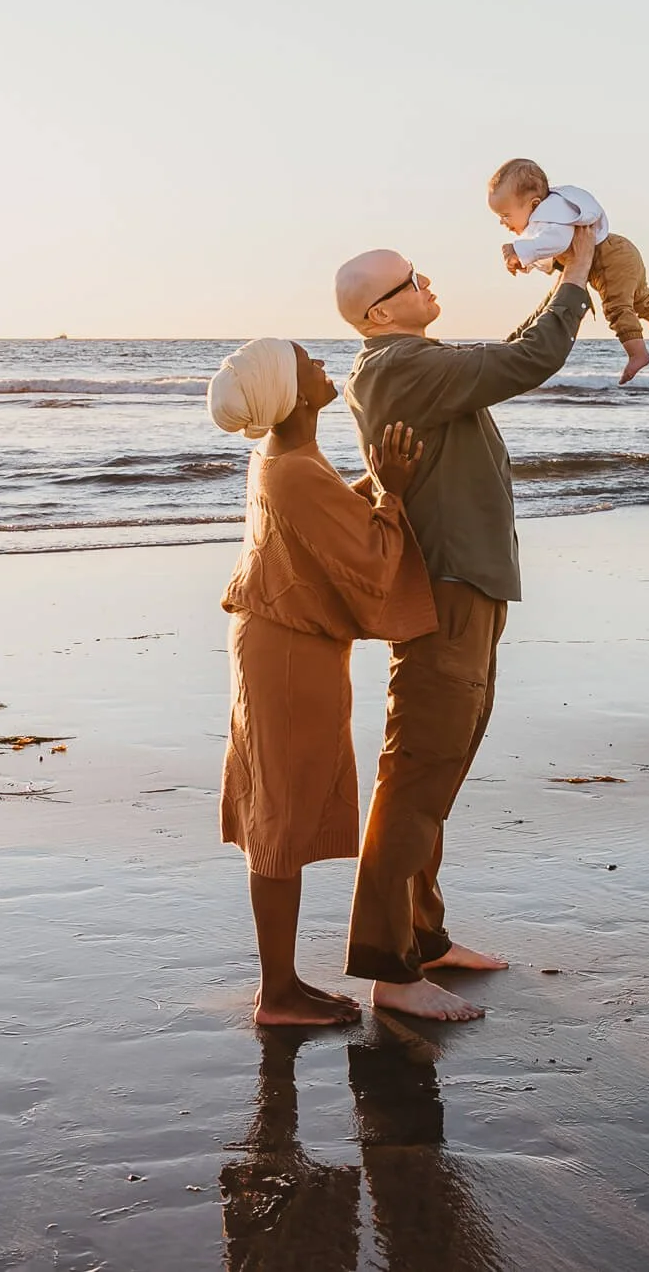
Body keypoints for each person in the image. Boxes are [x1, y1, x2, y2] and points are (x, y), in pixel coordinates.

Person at [330, 228, 598, 1020]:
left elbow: (503, 353)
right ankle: (388, 967)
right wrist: (578, 274)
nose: (426, 282)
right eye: (410, 280)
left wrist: (555, 286)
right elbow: (526, 361)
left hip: (468, 588)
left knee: (437, 774)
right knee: (417, 774)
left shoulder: (416, 364)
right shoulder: (402, 367)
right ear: (379, 315)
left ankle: (424, 937)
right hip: (445, 593)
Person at [210, 336, 437, 1027]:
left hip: (281, 645)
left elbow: (324, 525)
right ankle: (277, 995)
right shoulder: (293, 470)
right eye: (306, 361)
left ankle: (282, 984)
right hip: (287, 657)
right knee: (280, 816)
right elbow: (366, 559)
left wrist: (371, 484)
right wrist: (392, 491)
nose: (320, 365)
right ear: (293, 393)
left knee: (280, 806)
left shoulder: (285, 456)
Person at [487, 157, 649, 385]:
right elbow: (547, 251)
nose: (502, 223)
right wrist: (524, 261)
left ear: (534, 204)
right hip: (620, 252)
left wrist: (518, 250)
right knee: (643, 302)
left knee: (617, 307)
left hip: (610, 260)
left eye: (505, 215)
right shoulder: (552, 215)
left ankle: (638, 353)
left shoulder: (549, 217)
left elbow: (556, 242)